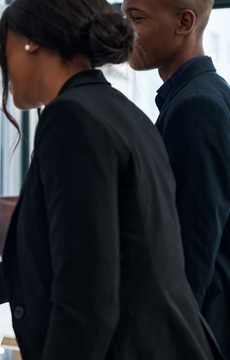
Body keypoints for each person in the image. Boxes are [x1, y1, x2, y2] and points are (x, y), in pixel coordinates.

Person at [0, 0, 224, 359]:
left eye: (2, 50)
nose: (3, 69)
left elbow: (84, 294)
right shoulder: (123, 113)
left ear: (30, 43)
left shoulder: (72, 119)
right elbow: (75, 257)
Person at [121, 0, 230, 355]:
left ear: (184, 22)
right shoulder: (202, 94)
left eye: (136, 19)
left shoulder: (196, 106)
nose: (124, 31)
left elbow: (190, 256)